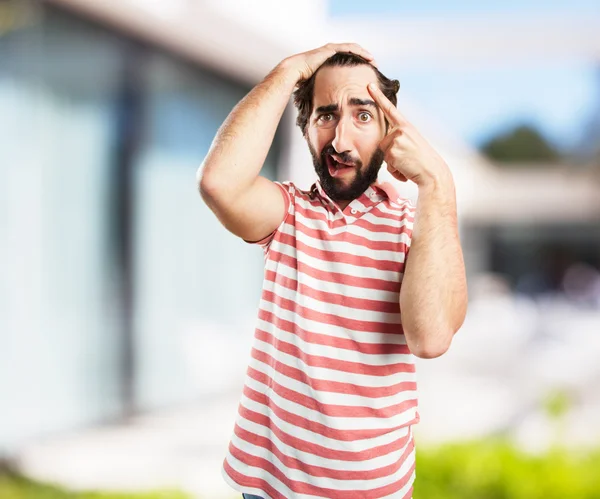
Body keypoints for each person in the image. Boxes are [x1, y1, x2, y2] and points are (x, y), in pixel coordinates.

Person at [198, 43, 468, 499]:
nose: (340, 141)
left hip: (375, 491)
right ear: (305, 129)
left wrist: (437, 181)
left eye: (363, 115)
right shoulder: (288, 215)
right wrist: (291, 69)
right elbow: (219, 183)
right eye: (325, 116)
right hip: (266, 486)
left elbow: (431, 337)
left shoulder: (418, 227)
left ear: (390, 132)